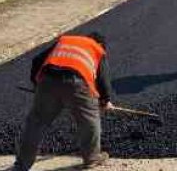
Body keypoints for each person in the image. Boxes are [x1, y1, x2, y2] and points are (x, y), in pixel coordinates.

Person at [14, 32, 114, 171]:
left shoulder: (65, 41)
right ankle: (92, 159)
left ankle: (21, 165)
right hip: (77, 83)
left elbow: (37, 60)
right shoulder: (97, 49)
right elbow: (103, 79)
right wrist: (105, 100)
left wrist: (37, 86)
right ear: (101, 44)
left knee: (36, 123)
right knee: (89, 122)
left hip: (48, 80)